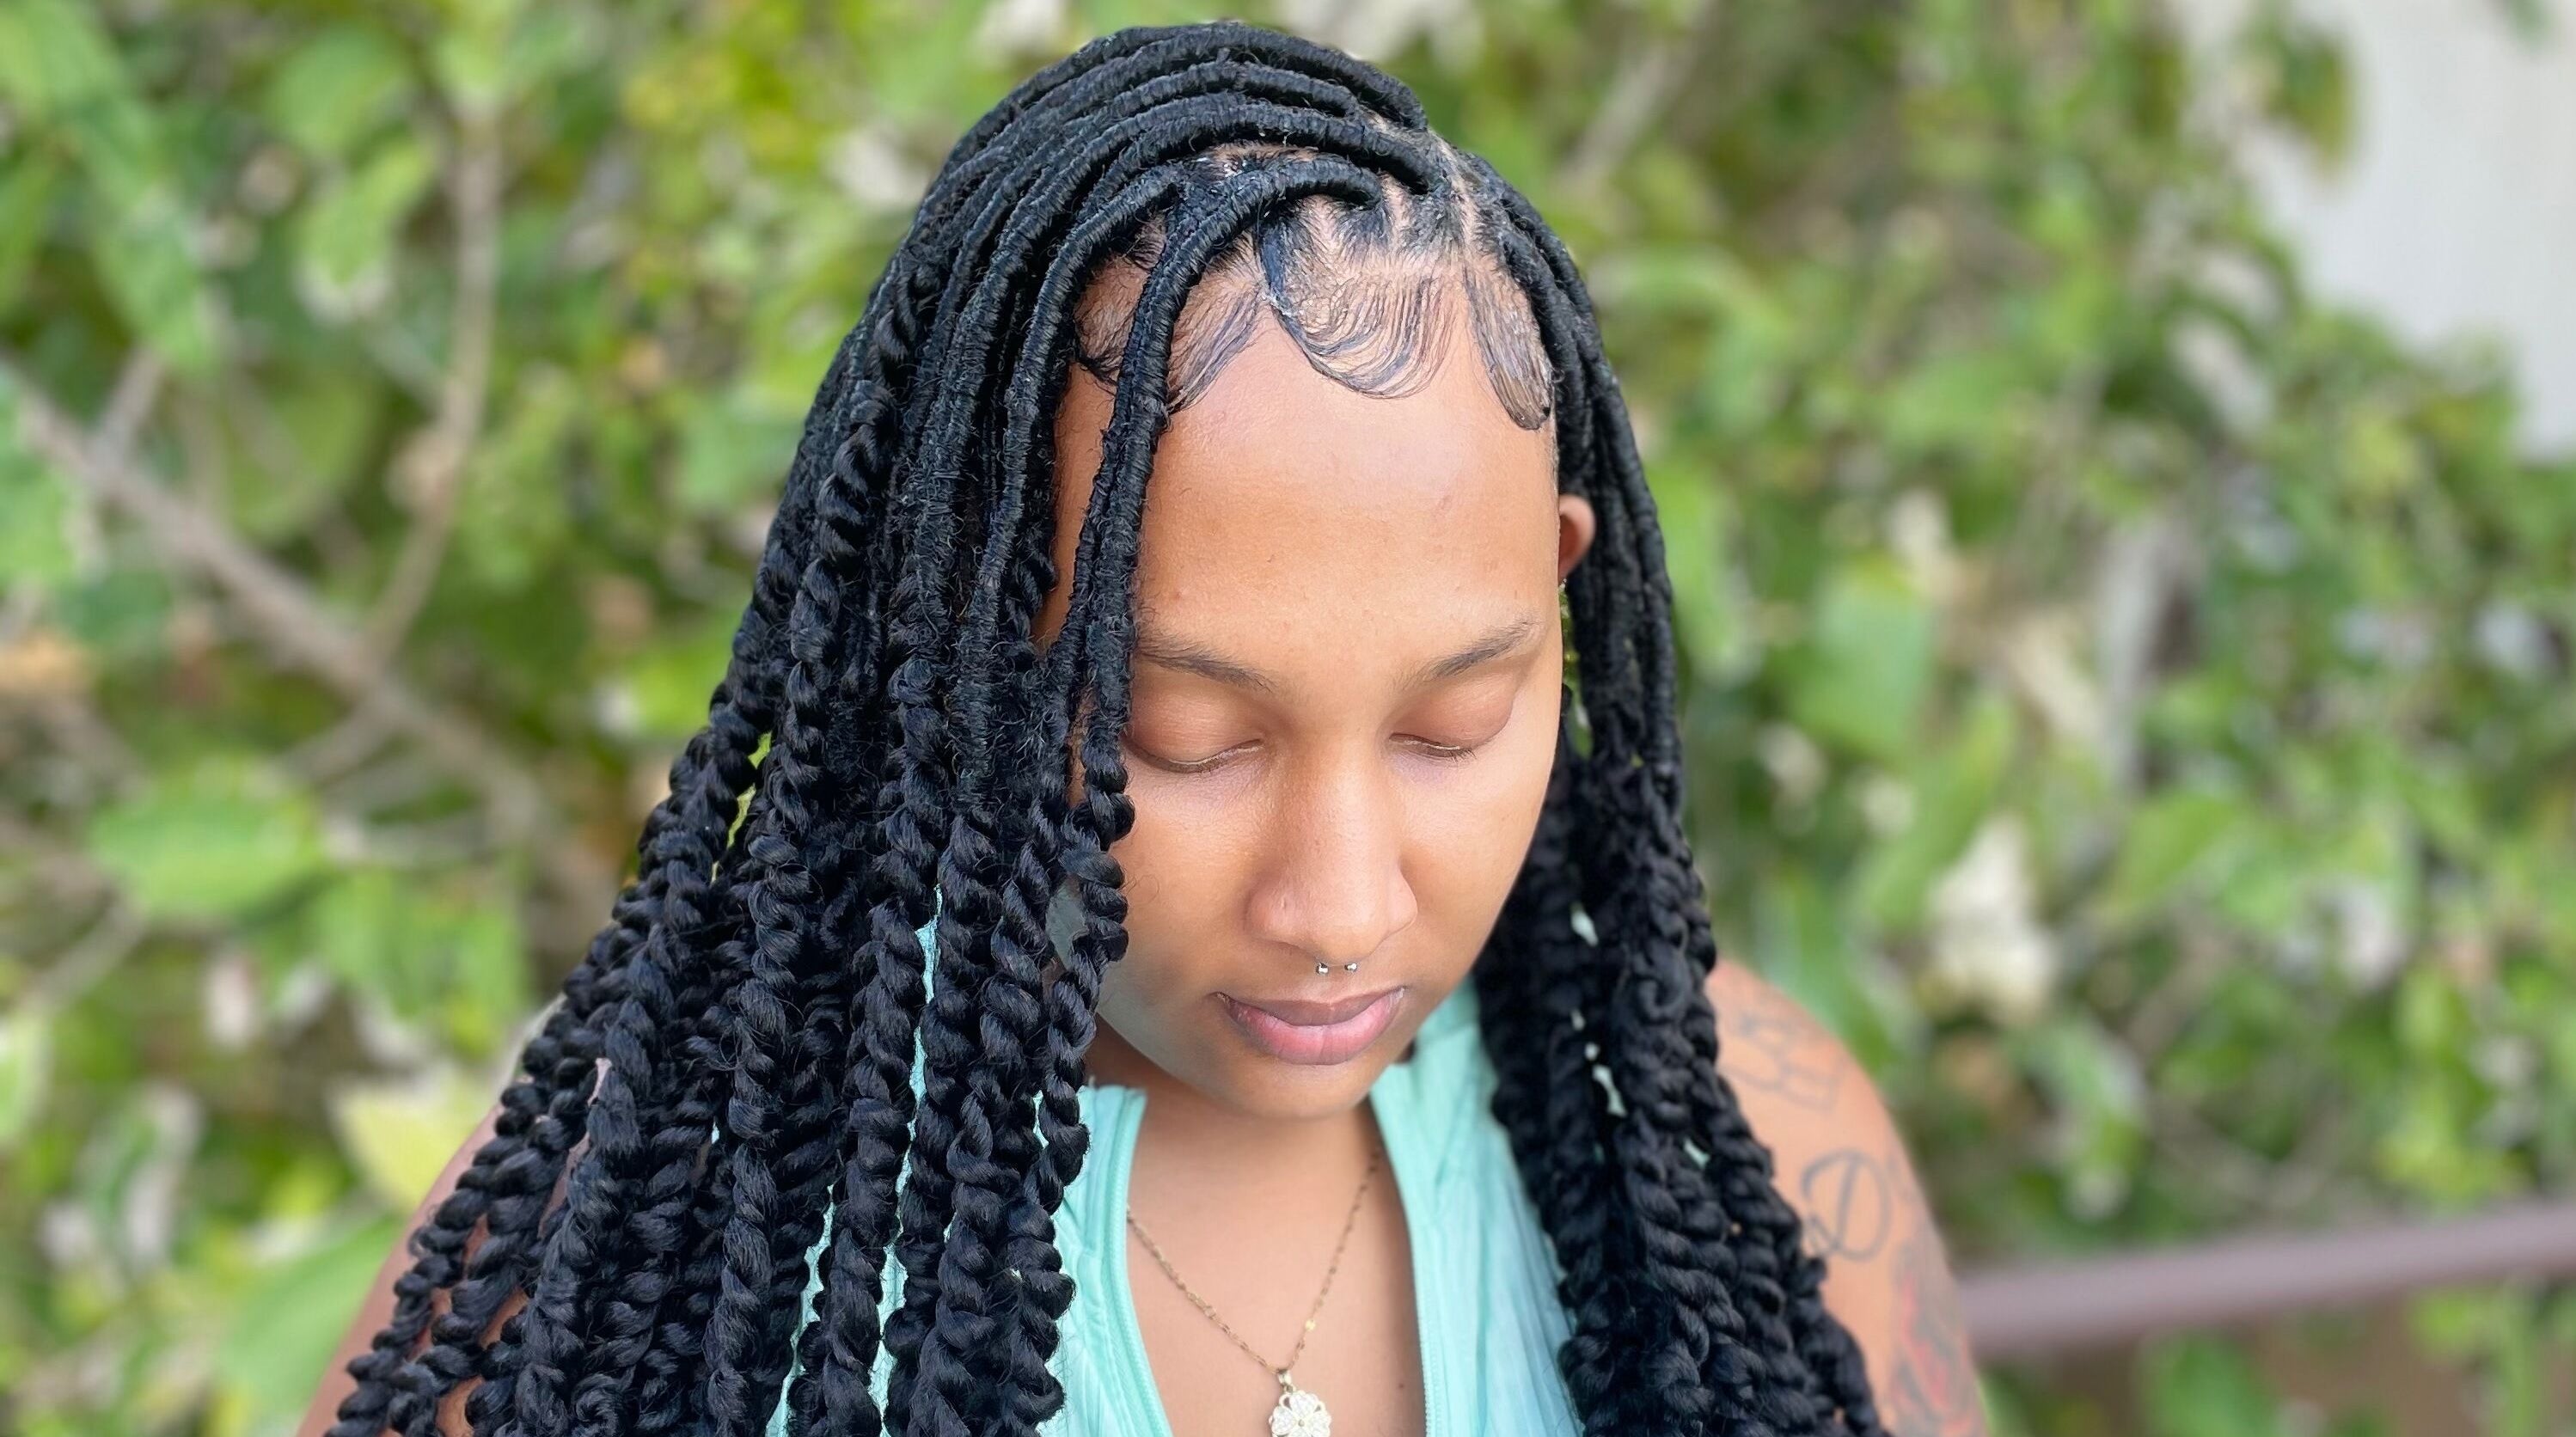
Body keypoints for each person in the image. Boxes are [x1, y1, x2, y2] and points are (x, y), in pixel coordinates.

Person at [300, 19, 1982, 1437]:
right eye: (1189, 738)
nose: (1338, 906)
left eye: (1453, 724)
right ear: (963, 648)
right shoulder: (617, 1256)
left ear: (1559, 604)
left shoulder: (1748, 1155)